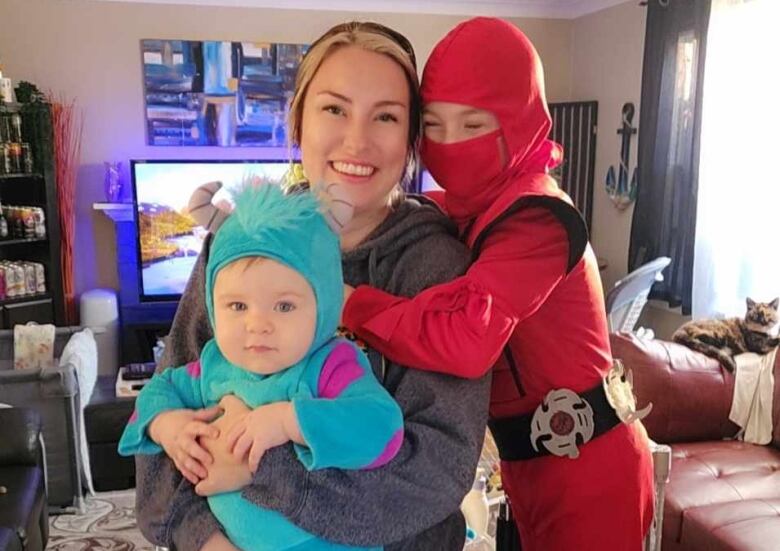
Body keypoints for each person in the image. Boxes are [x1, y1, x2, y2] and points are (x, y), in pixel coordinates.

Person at [134, 21, 491, 551]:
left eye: (386, 116)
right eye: (334, 108)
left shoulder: (433, 264)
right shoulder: (240, 242)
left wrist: (259, 466)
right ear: (297, 120)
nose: (357, 140)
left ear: (410, 137)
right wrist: (205, 540)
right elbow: (164, 435)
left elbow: (434, 469)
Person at [341, 17, 655, 550]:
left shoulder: (536, 215)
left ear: (519, 120)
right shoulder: (468, 206)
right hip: (530, 467)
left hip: (588, 471)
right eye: (433, 125)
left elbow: (467, 336)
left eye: (473, 125)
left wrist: (352, 306)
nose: (449, 143)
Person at [119, 183, 403, 551]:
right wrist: (167, 425)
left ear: (324, 305)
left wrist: (289, 421)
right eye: (237, 306)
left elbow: (382, 429)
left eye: (284, 306)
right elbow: (157, 391)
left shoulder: (331, 365)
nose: (257, 325)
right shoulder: (213, 367)